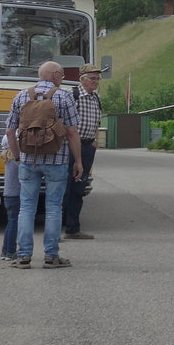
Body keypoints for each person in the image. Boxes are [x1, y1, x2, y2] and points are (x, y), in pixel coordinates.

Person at [5, 61, 82, 269]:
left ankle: (23, 256)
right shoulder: (64, 96)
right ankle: (51, 256)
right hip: (57, 160)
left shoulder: (21, 96)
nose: (63, 78)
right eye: (62, 74)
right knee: (54, 207)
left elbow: (10, 132)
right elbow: (73, 132)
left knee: (26, 207)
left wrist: (18, 156)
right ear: (55, 75)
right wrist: (79, 161)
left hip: (29, 160)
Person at [63, 63, 102, 240]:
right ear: (82, 79)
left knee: (79, 188)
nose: (96, 82)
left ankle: (73, 229)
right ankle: (56, 230)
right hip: (70, 147)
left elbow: (97, 121)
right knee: (64, 188)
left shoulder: (96, 98)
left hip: (87, 148)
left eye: (98, 79)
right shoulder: (72, 95)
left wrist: (95, 140)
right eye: (92, 79)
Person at [0, 134, 19, 261]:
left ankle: (5, 251)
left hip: (8, 195)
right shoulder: (15, 163)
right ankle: (11, 251)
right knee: (14, 223)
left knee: (10, 222)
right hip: (16, 195)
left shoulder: (7, 161)